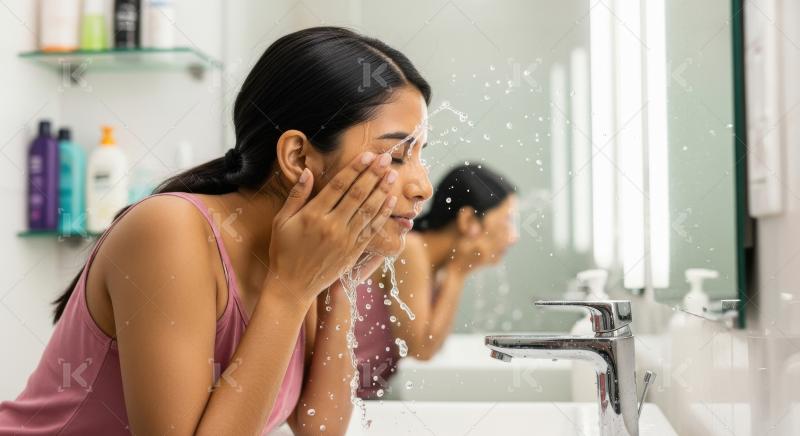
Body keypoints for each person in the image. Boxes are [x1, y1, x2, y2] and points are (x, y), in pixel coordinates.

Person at [0, 27, 433, 435]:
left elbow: (319, 427)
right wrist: (290, 292)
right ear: (299, 157)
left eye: (421, 156)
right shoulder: (170, 231)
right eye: (395, 155)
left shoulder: (300, 255)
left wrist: (337, 280)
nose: (422, 186)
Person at [355, 163, 518, 397]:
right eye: (507, 220)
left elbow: (433, 347)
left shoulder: (432, 266)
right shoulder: (410, 250)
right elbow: (421, 352)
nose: (514, 237)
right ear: (468, 220)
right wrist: (457, 273)